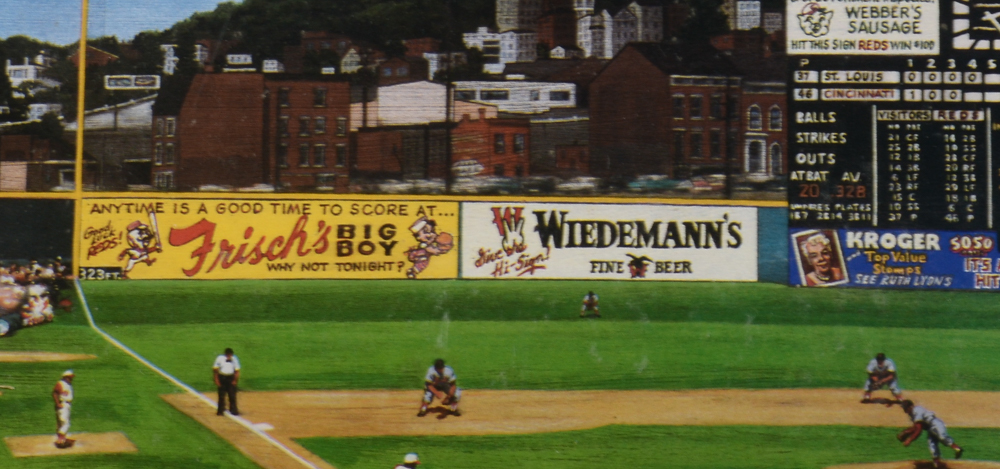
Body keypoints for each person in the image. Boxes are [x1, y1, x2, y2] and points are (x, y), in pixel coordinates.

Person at [899, 400, 963, 467]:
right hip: (930, 428)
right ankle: (937, 463)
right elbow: (915, 427)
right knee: (932, 445)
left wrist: (910, 439)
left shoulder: (917, 411)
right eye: (904, 408)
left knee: (942, 437)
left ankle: (957, 448)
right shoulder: (912, 414)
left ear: (911, 406)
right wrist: (905, 432)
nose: (905, 410)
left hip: (935, 424)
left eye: (906, 408)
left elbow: (918, 430)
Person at [213, 348, 241, 416]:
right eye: (228, 355)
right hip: (222, 377)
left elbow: (237, 371)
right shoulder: (220, 358)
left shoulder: (234, 359)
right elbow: (215, 369)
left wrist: (235, 380)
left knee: (232, 395)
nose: (229, 356)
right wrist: (217, 380)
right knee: (221, 396)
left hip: (230, 378)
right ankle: (220, 410)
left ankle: (233, 410)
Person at [52, 370, 75, 448]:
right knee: (66, 424)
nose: (71, 379)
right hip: (63, 405)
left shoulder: (68, 384)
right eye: (69, 377)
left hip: (66, 405)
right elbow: (55, 393)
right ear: (65, 377)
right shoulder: (61, 383)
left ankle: (61, 440)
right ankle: (60, 440)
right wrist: (58, 403)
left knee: (61, 424)